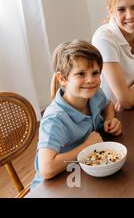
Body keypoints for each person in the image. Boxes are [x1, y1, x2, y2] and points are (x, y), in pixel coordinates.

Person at [31, 40, 122, 187]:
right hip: (54, 186)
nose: (90, 80)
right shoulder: (55, 119)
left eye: (95, 73)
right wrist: (86, 147)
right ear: (63, 78)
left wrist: (110, 118)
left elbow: (108, 105)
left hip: (81, 174)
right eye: (81, 74)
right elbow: (47, 168)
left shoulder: (95, 94)